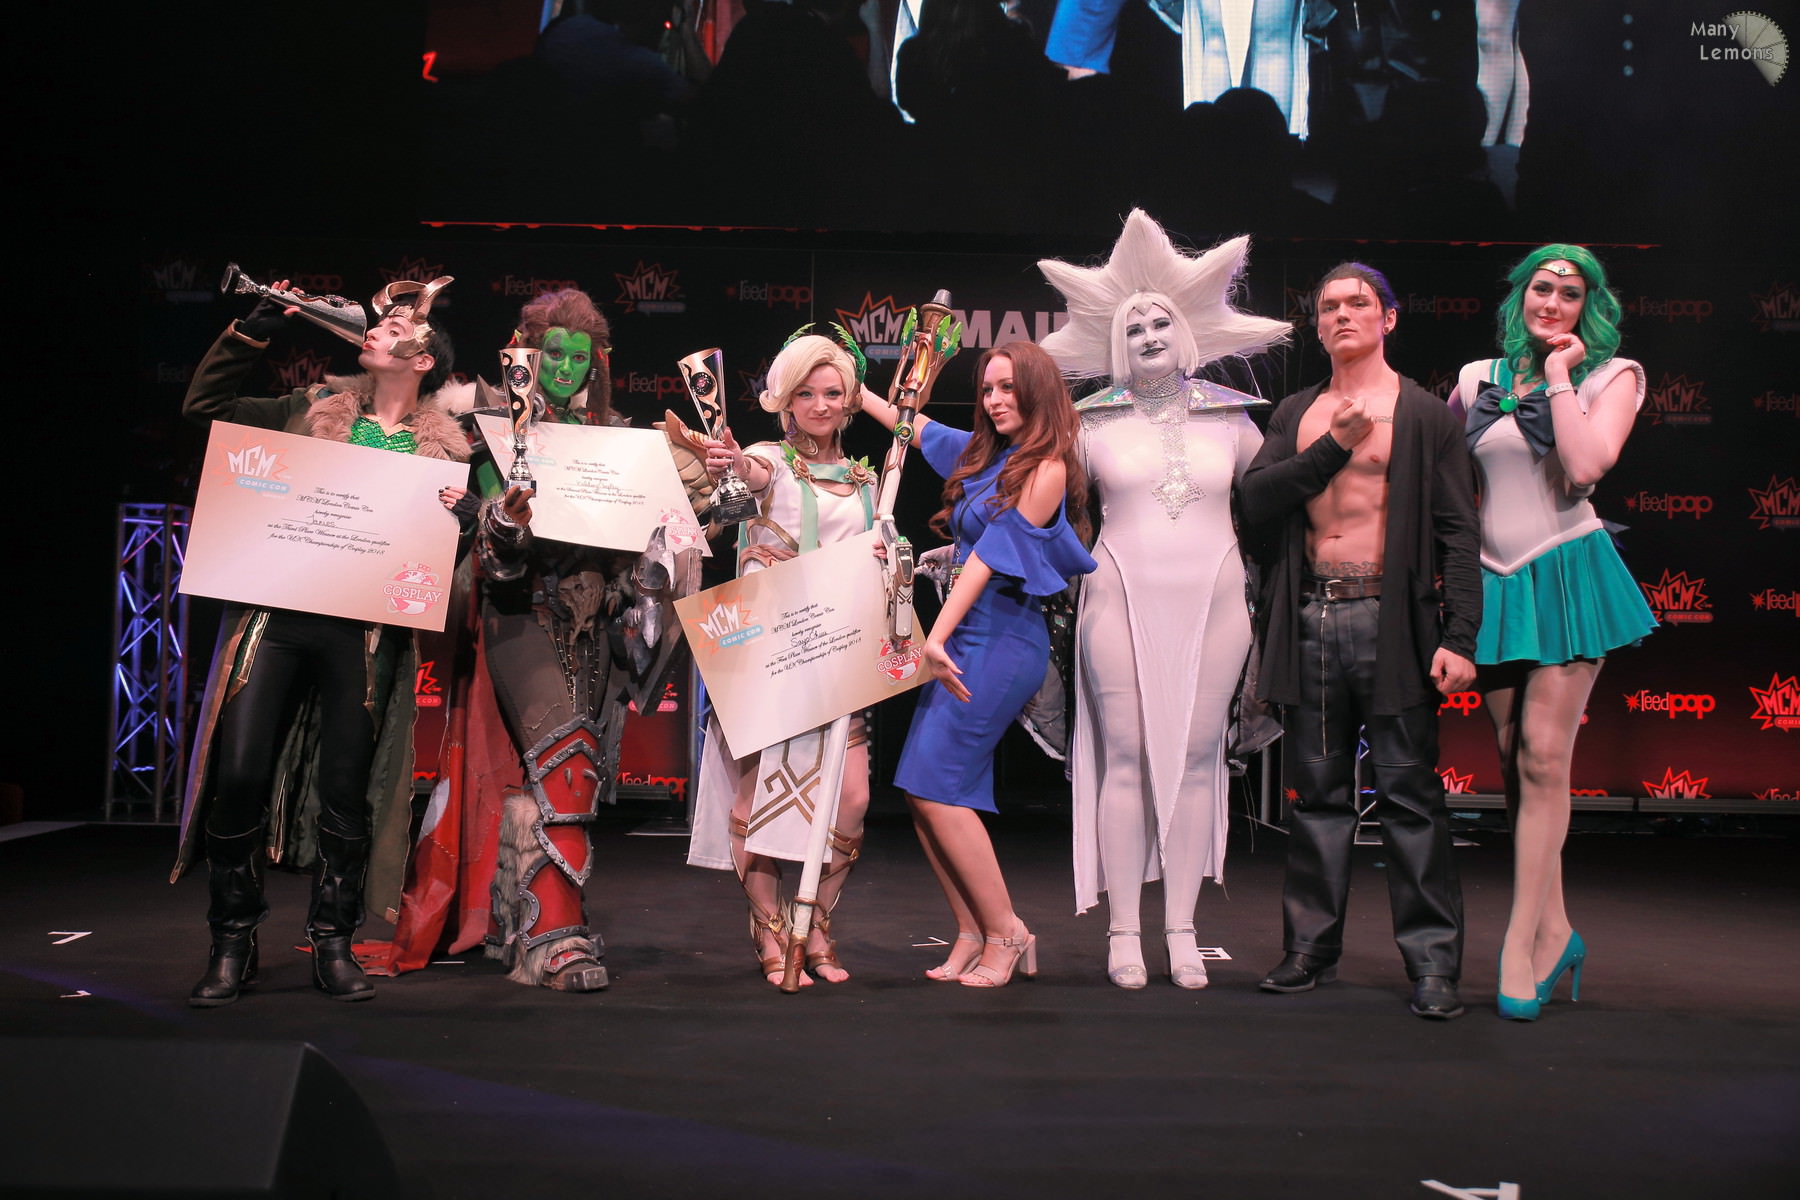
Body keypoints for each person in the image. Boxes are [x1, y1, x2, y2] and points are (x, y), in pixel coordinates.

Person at [174, 276, 469, 1006]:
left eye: (395, 328)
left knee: (346, 787)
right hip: (276, 614)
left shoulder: (443, 456)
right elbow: (205, 410)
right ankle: (232, 940)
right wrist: (255, 326)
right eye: (379, 321)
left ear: (423, 360)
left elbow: (435, 564)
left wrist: (458, 522)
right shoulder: (308, 409)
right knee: (240, 772)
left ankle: (332, 942)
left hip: (362, 633)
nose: (376, 328)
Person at [1037, 211, 1288, 989]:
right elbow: (1034, 504)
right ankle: (1123, 932)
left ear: (1186, 333)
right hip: (1117, 598)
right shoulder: (1088, 422)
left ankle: (1181, 930)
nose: (1148, 334)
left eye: (1160, 322)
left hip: (1217, 603)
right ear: (1117, 343)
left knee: (1198, 759)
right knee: (1126, 756)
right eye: (1133, 326)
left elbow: (1283, 499)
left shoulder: (1232, 419)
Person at [443, 287, 702, 992]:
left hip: (594, 621)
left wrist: (700, 509)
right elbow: (487, 547)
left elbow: (653, 542)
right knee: (565, 762)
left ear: (596, 363)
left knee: (570, 773)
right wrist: (505, 522)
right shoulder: (492, 429)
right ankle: (555, 936)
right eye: (552, 353)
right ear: (528, 353)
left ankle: (523, 921)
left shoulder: (615, 438)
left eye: (578, 358)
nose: (563, 368)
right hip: (522, 611)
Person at [1239, 262, 1480, 1020]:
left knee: (1411, 798)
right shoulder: (1298, 412)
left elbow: (1457, 533)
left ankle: (1433, 964)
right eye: (1329, 307)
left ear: (1388, 317)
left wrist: (1461, 636)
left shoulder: (1425, 415)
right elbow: (1255, 502)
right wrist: (1333, 447)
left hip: (1393, 622)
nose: (1342, 315)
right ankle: (1310, 950)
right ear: (1317, 326)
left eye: (1358, 303)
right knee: (1317, 797)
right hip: (1313, 616)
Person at [1448, 245, 1654, 1020]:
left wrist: (1563, 375)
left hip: (1567, 571)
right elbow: (1446, 477)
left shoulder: (1614, 375)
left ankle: (1519, 943)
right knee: (1514, 763)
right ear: (1521, 296)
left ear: (1588, 307)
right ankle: (1559, 930)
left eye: (1571, 294)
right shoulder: (1478, 377)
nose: (1553, 303)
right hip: (1495, 580)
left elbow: (1587, 465)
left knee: (1541, 754)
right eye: (1542, 288)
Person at [860, 341, 1096, 987]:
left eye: (1007, 388)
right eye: (987, 389)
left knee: (939, 789)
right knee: (923, 789)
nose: (994, 400)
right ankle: (970, 931)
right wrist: (858, 394)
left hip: (999, 643)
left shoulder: (1046, 468)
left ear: (1037, 391)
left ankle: (1006, 932)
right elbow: (916, 430)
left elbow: (992, 555)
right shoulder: (986, 456)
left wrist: (934, 636)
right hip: (963, 637)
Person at [685, 329, 880, 987]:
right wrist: (732, 462)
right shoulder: (769, 459)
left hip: (838, 652)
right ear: (785, 400)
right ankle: (769, 925)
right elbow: (748, 477)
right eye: (806, 393)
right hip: (767, 651)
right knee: (756, 797)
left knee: (852, 796)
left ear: (849, 400)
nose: (820, 405)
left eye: (832, 393)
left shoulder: (866, 479)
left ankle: (813, 920)